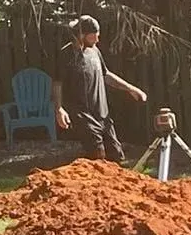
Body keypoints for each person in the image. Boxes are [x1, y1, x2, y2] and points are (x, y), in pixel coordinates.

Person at [53, 16, 147, 162]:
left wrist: (131, 89)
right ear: (82, 35)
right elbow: (57, 83)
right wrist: (59, 109)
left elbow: (106, 75)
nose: (97, 40)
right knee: (98, 156)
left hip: (102, 114)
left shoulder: (95, 51)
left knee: (116, 156)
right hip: (82, 115)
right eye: (94, 37)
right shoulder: (66, 55)